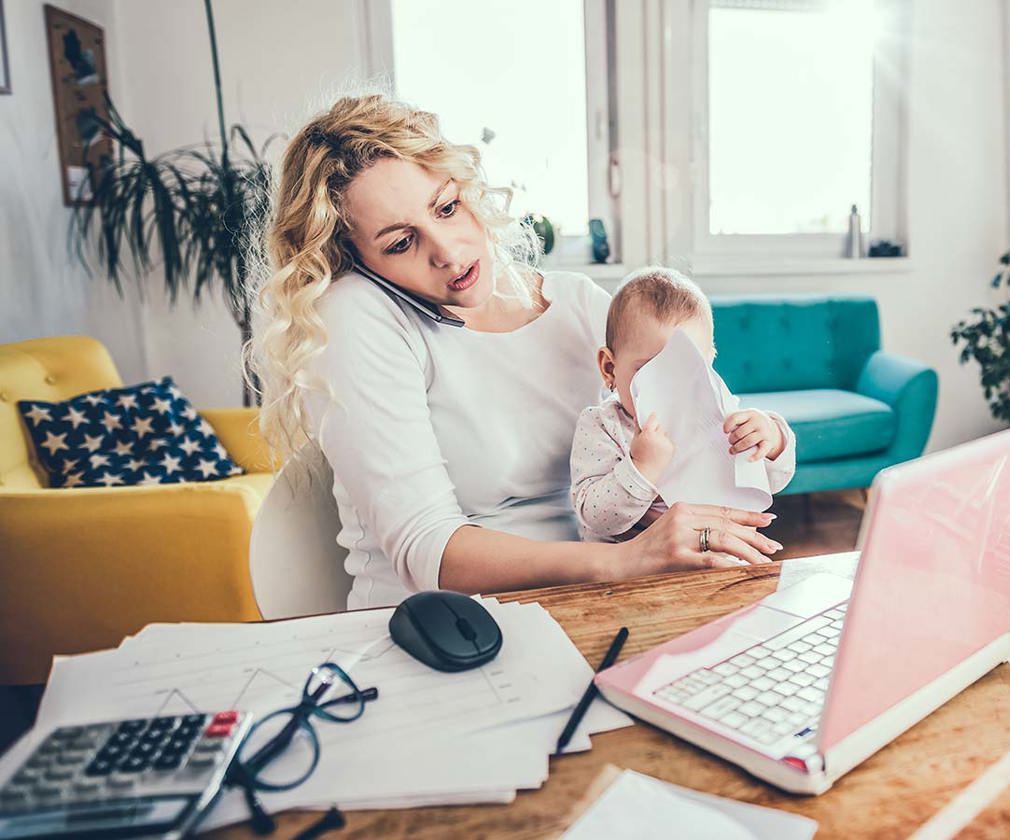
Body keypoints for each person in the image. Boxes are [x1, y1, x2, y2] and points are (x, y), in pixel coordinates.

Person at [251, 94, 780, 609]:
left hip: (600, 602)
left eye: (447, 207)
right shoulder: (357, 314)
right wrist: (627, 560)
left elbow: (711, 436)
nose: (448, 251)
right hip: (447, 627)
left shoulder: (578, 305)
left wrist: (761, 444)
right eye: (399, 243)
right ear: (357, 261)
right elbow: (427, 549)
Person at [571, 267, 795, 542]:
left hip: (718, 555)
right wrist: (642, 467)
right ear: (610, 368)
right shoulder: (603, 426)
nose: (668, 387)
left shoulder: (721, 416)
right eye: (648, 370)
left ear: (709, 363)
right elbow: (596, 518)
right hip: (632, 570)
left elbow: (772, 482)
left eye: (687, 368)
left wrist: (771, 441)